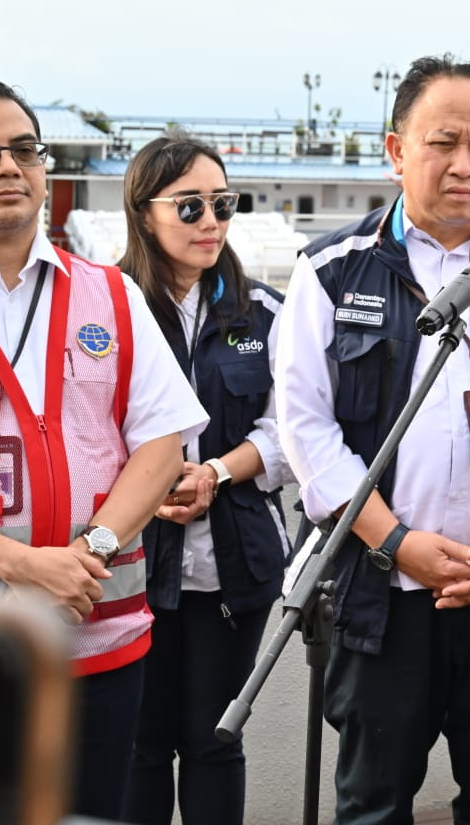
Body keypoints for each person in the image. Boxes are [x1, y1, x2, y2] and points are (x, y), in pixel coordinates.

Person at [0, 79, 207, 821]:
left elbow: (161, 442)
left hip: (102, 646)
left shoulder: (112, 296)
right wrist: (22, 566)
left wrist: (92, 547)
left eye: (25, 149)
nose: (9, 167)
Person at [276, 54, 470, 824]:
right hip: (383, 598)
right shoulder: (330, 272)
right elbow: (305, 430)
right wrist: (396, 542)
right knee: (374, 806)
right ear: (395, 152)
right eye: (442, 142)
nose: (464, 164)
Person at [116, 136, 295, 825]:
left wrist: (217, 472)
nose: (211, 222)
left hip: (236, 564)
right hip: (131, 562)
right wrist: (150, 486)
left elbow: (288, 432)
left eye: (224, 204)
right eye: (190, 206)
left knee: (216, 740)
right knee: (141, 743)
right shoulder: (107, 310)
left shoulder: (265, 312)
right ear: (145, 212)